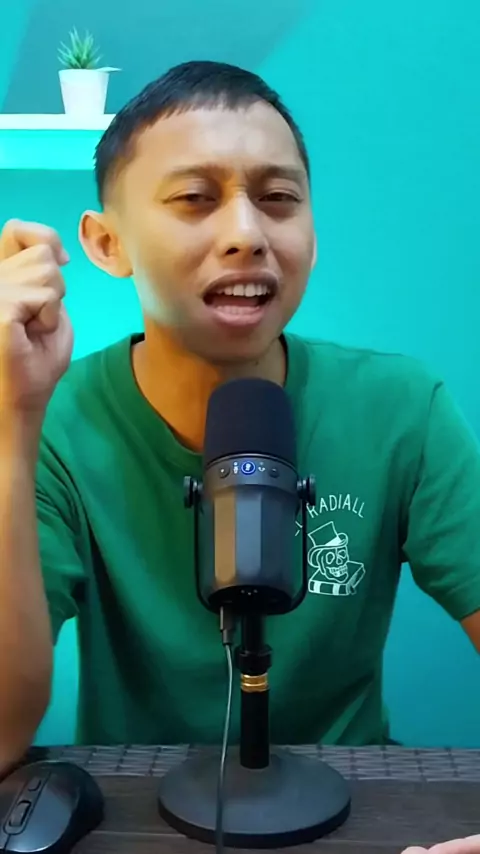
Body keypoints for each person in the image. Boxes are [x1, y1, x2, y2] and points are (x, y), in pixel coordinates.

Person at [0, 60, 479, 774]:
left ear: (312, 232)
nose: (247, 234)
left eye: (278, 198)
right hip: (138, 797)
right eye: (195, 198)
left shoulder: (402, 408)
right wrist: (12, 420)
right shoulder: (56, 424)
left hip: (354, 795)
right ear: (107, 243)